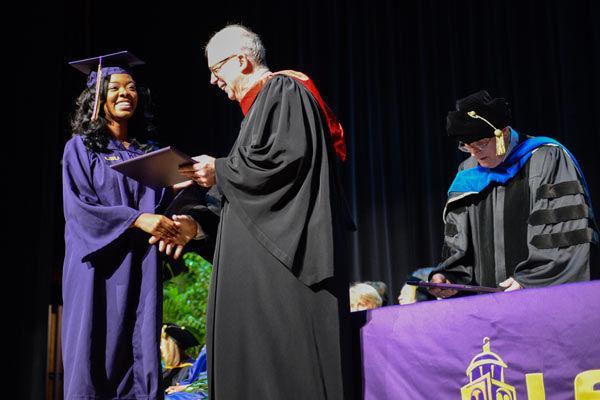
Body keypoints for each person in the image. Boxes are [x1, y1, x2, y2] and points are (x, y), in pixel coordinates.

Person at [178, 25, 355, 399]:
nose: (213, 81)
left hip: (283, 275)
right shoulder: (260, 110)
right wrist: (197, 226)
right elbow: (248, 192)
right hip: (262, 276)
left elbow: (284, 164)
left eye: (217, 69)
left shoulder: (284, 89)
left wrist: (220, 170)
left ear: (242, 61)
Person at [62, 51, 198, 399]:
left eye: (132, 87)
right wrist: (136, 219)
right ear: (97, 98)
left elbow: (160, 209)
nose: (125, 93)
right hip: (99, 268)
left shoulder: (147, 152)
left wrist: (176, 192)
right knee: (96, 350)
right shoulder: (81, 149)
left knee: (140, 353)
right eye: (115, 87)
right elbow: (80, 210)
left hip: (141, 265)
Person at [429, 90, 598, 298]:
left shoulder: (546, 159)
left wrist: (530, 279)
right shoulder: (467, 173)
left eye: (481, 143)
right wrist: (450, 278)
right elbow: (459, 243)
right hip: (485, 306)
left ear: (504, 134)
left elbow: (564, 233)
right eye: (467, 146)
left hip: (541, 300)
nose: (475, 153)